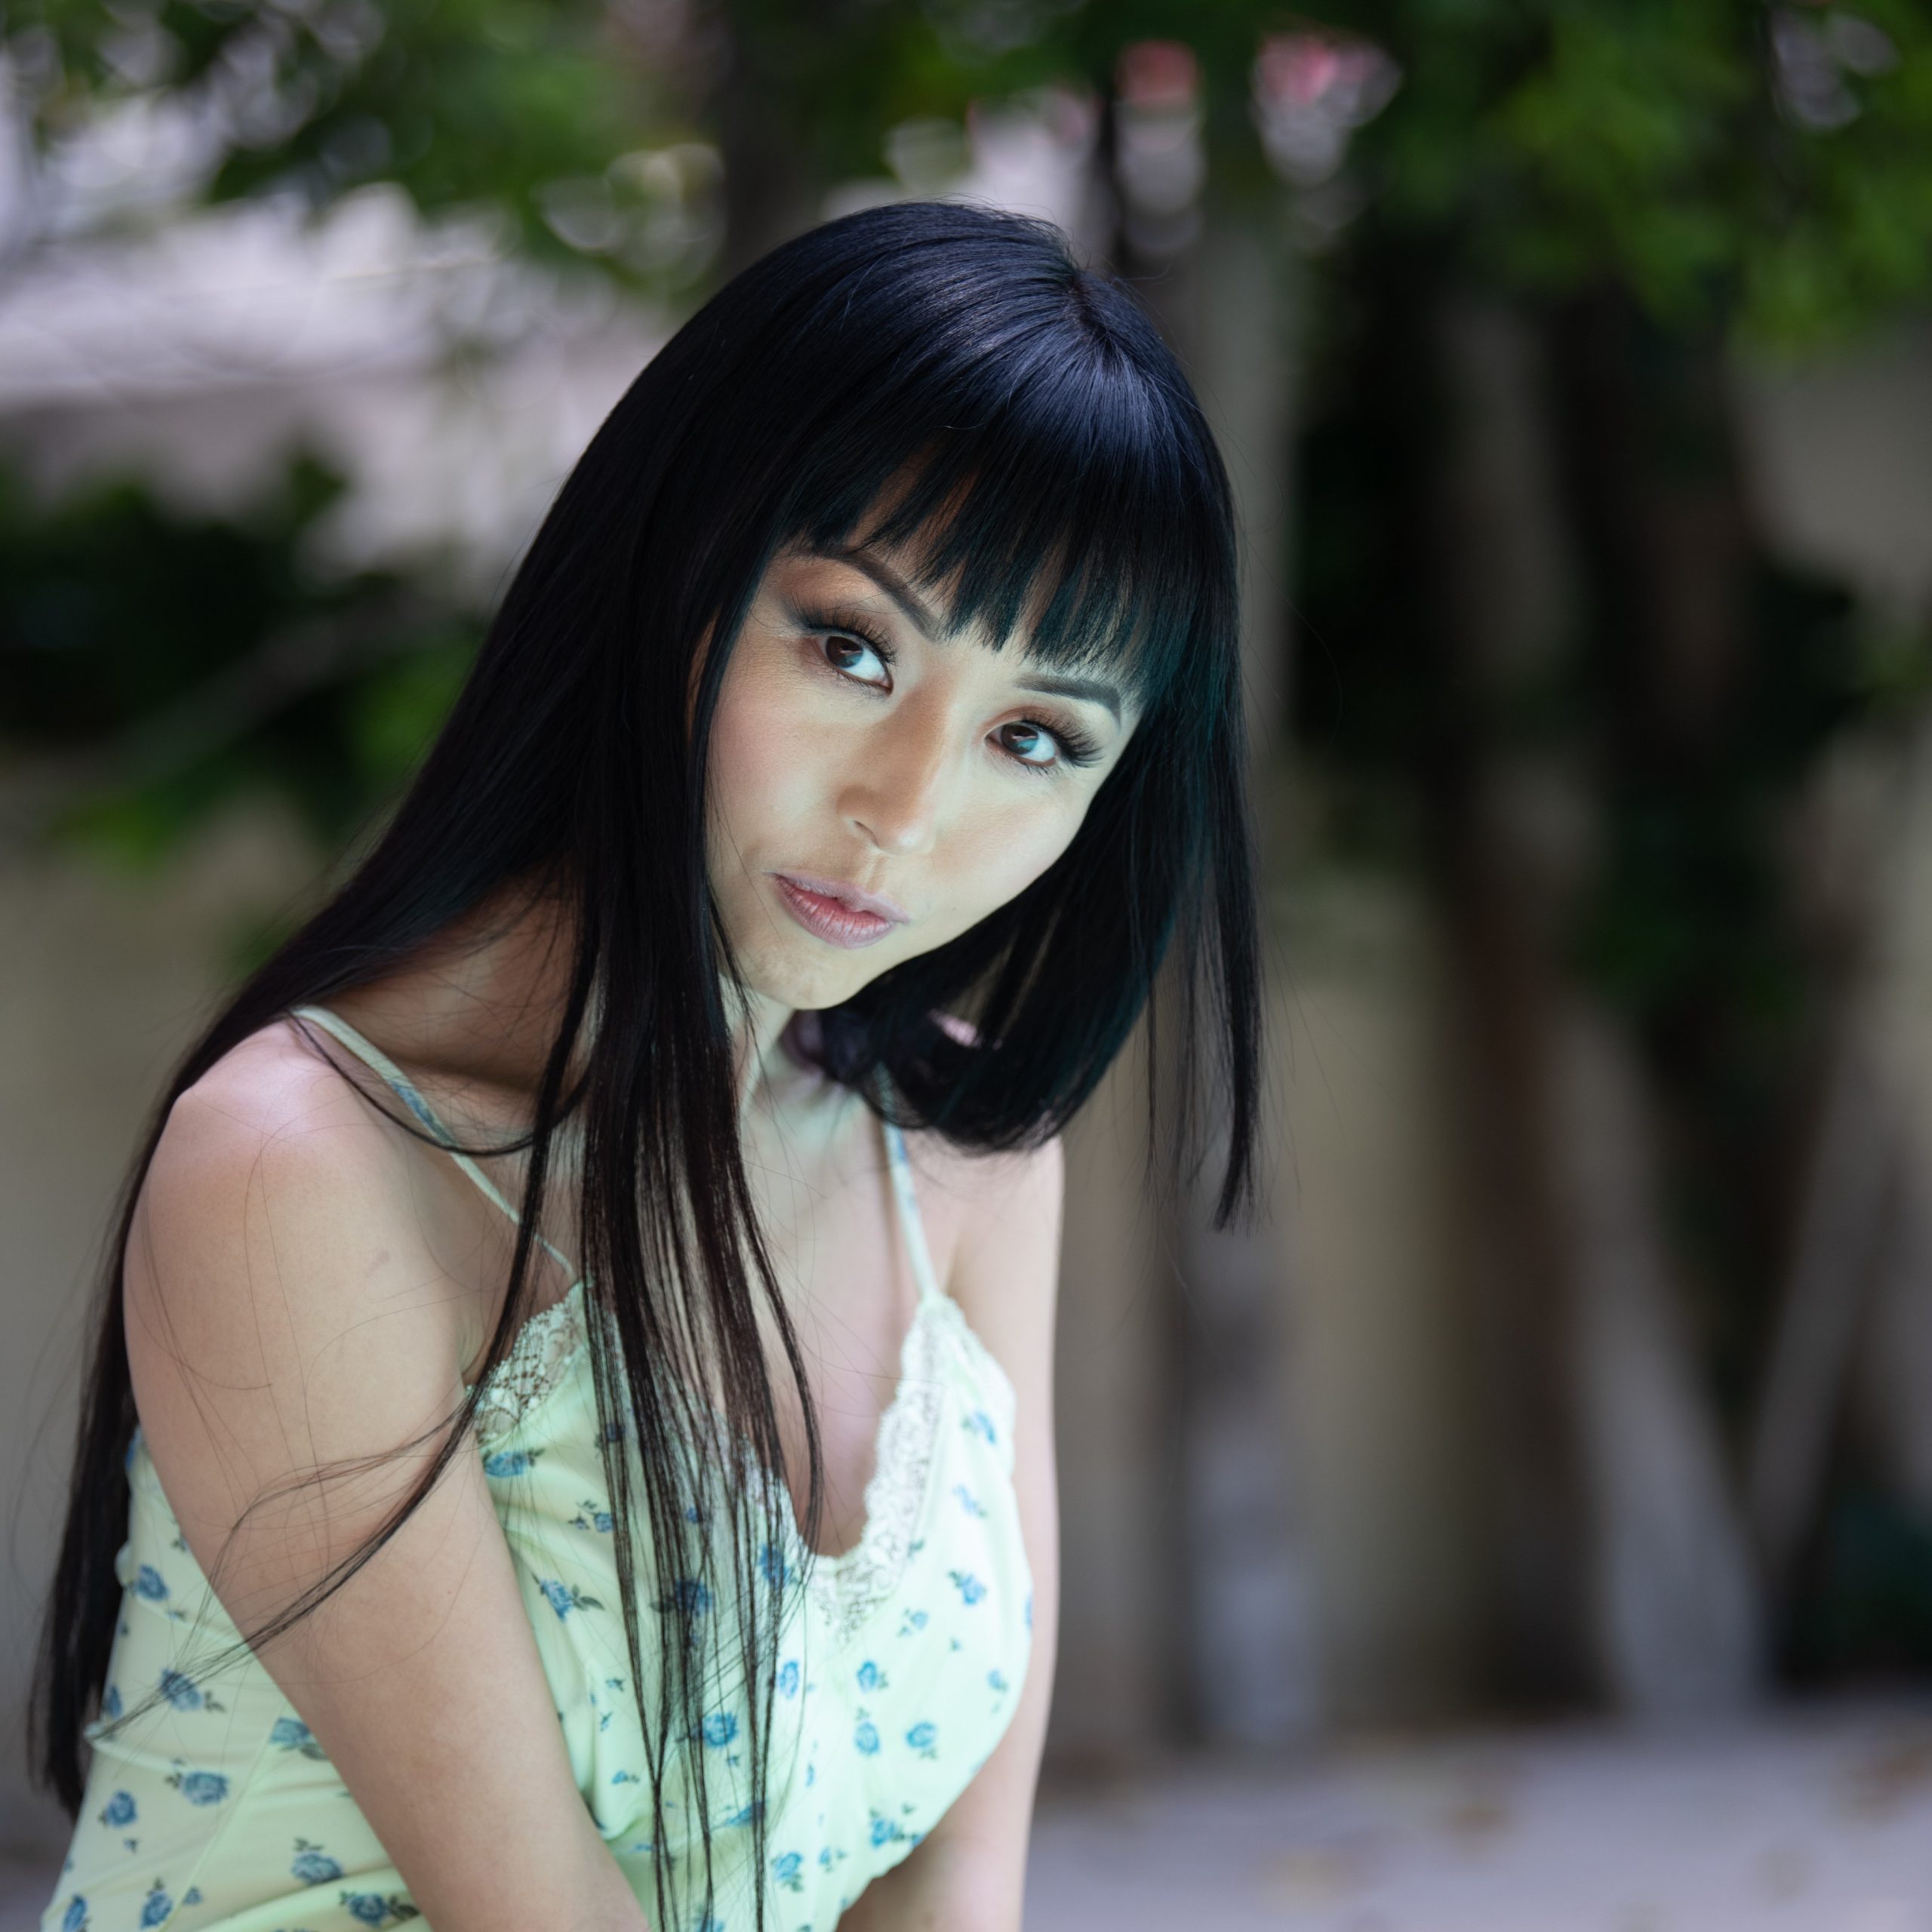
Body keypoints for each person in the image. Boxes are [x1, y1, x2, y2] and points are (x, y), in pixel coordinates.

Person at [30, 198, 1260, 1932]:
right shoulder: (305, 1165)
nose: (906, 807)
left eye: (1033, 735)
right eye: (851, 647)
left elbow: (948, 1890)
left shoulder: (959, 1149)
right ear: (673, 575)